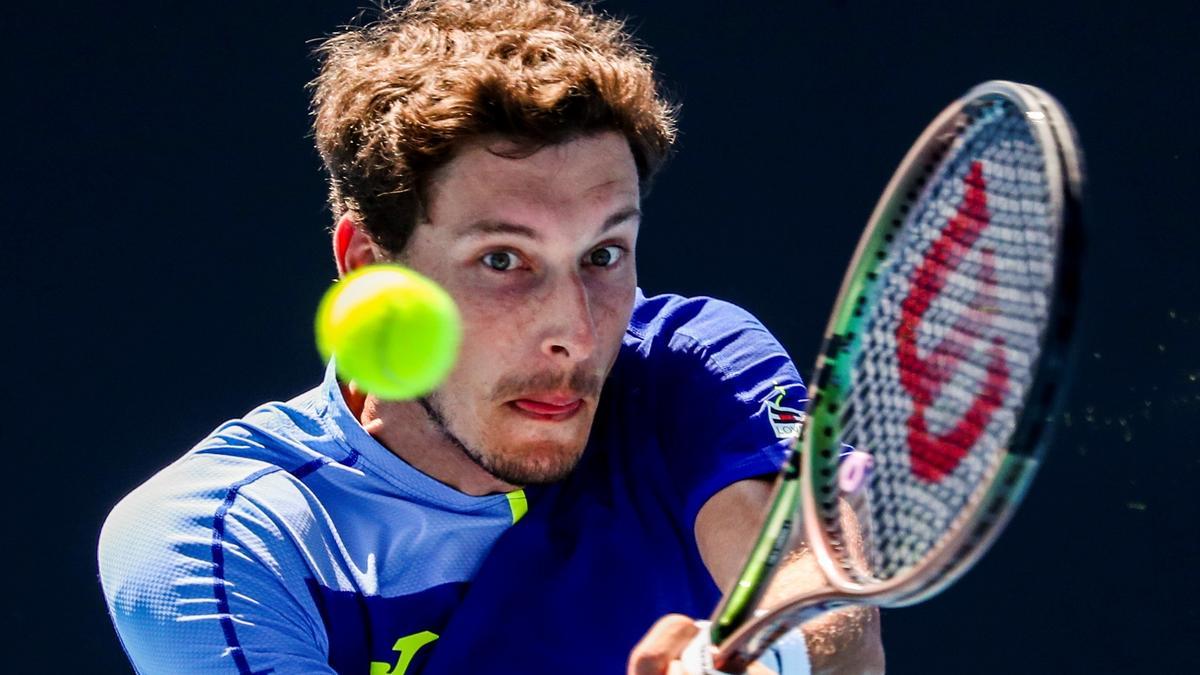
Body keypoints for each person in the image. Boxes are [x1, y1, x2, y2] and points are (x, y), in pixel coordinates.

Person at [97, 1, 884, 673]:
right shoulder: (221, 534)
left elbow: (817, 585)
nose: (575, 332)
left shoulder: (691, 368)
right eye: (503, 260)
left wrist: (754, 656)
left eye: (603, 254)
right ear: (371, 263)